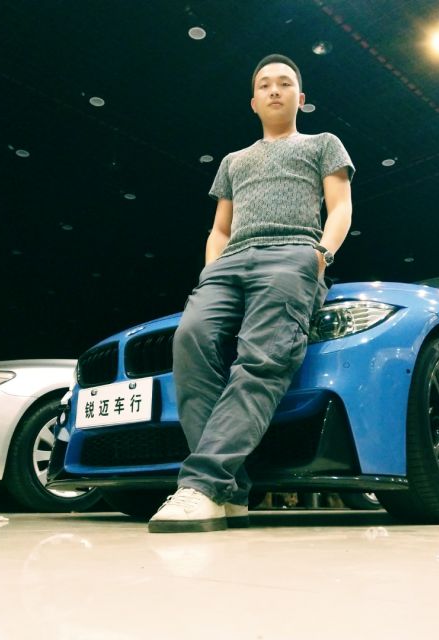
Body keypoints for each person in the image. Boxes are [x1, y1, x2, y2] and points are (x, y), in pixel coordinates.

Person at [148, 53, 354, 533]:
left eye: (285, 83)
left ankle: (201, 486)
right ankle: (229, 490)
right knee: (190, 342)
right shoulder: (233, 162)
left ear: (301, 98)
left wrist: (320, 255)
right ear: (253, 101)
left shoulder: (323, 143)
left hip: (292, 254)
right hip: (230, 263)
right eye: (265, 85)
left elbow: (341, 206)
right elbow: (220, 228)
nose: (275, 90)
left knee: (263, 359)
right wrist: (210, 271)